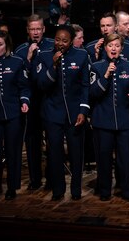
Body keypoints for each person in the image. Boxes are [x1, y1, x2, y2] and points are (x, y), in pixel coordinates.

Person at [35, 24, 90, 201]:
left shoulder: (81, 55)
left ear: (71, 41)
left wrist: (83, 110)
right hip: (52, 114)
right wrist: (53, 65)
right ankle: (58, 189)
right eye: (57, 39)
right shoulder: (44, 56)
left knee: (76, 154)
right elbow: (41, 84)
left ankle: (76, 190)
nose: (60, 43)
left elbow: (85, 86)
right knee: (55, 154)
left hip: (75, 114)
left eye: (64, 40)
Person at [90, 33, 129, 202]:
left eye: (117, 46)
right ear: (105, 48)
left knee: (125, 160)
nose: (114, 49)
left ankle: (127, 191)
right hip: (102, 121)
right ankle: (104, 190)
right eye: (110, 45)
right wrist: (105, 76)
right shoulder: (96, 67)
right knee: (103, 159)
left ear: (121, 48)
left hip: (125, 121)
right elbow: (93, 93)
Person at [0, 30, 30, 200]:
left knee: (12, 151)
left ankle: (11, 187)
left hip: (13, 113)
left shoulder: (17, 61)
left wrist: (24, 101)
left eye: (0, 44)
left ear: (6, 45)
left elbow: (24, 86)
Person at [15, 14, 54, 191]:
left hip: (49, 100)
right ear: (27, 31)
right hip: (31, 101)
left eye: (38, 28)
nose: (36, 32)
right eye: (32, 29)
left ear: (44, 29)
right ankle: (35, 179)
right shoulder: (21, 50)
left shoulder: (53, 45)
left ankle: (52, 178)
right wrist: (29, 59)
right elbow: (20, 79)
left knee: (52, 141)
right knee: (32, 141)